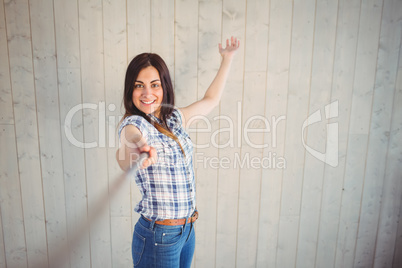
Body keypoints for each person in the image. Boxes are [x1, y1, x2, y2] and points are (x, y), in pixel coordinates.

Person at [116, 36, 240, 268]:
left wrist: (227, 59)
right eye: (138, 85)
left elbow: (211, 99)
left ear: (164, 86)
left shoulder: (174, 119)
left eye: (154, 84)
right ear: (130, 89)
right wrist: (138, 147)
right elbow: (127, 145)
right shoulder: (135, 123)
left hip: (187, 230)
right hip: (159, 236)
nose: (147, 93)